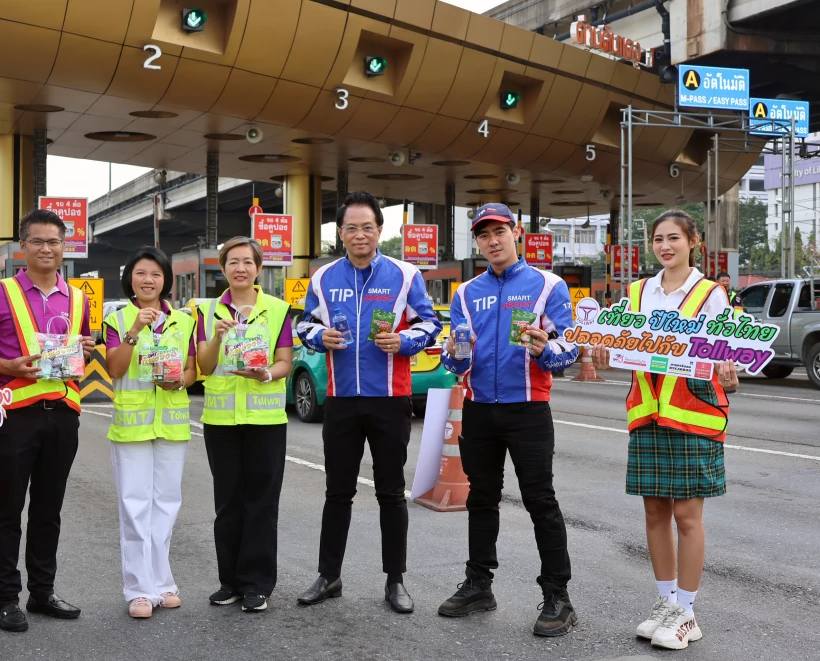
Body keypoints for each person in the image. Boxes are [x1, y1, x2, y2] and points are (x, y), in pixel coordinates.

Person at [592, 209, 738, 650]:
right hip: (650, 415)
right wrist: (603, 347)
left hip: (694, 416)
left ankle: (687, 614)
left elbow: (727, 354)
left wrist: (728, 366)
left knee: (687, 517)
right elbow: (621, 343)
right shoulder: (637, 292)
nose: (665, 246)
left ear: (694, 241)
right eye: (658, 239)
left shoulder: (710, 295)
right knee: (654, 512)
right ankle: (665, 603)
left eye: (674, 237)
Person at [296, 191, 442, 614]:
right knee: (336, 492)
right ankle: (329, 575)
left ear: (380, 231)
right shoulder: (322, 279)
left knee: (391, 493)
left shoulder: (406, 274)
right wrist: (317, 337)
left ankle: (395, 580)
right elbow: (305, 322)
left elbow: (430, 324)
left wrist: (404, 341)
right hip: (340, 399)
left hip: (390, 398)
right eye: (351, 228)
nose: (360, 234)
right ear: (340, 234)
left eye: (368, 227)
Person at [437, 203, 580, 636]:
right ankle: (479, 584)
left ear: (515, 232)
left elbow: (569, 352)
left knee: (540, 501)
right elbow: (454, 359)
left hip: (528, 410)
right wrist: (453, 354)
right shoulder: (464, 293)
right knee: (480, 499)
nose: (492, 241)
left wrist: (543, 350)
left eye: (499, 231)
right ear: (477, 241)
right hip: (480, 410)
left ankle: (559, 596)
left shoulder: (548, 286)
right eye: (483, 234)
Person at [0, 209, 94, 632]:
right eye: (38, 241)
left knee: (49, 508)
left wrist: (85, 350)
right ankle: (6, 598)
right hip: (14, 417)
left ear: (65, 247)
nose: (47, 249)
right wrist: (8, 364)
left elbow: (79, 349)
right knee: (8, 507)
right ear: (22, 246)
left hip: (63, 414)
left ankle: (42, 592)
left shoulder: (79, 299)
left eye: (54, 242)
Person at [196, 237, 293, 613]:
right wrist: (217, 339)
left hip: (266, 420)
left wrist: (266, 374)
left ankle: (257, 584)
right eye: (232, 262)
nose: (240, 268)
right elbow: (203, 367)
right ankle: (229, 582)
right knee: (228, 503)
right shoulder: (206, 312)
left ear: (259, 268)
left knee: (262, 503)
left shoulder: (278, 310)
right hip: (221, 420)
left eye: (247, 262)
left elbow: (285, 359)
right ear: (222, 269)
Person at [103, 247, 197, 618]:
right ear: (131, 279)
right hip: (132, 427)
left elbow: (192, 370)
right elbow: (114, 368)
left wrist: (180, 381)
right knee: (134, 506)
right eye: (141, 273)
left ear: (165, 280)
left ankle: (163, 582)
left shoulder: (185, 321)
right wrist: (135, 330)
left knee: (167, 506)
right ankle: (139, 590)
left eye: (155, 274)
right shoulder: (118, 319)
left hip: (172, 425)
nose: (148, 280)